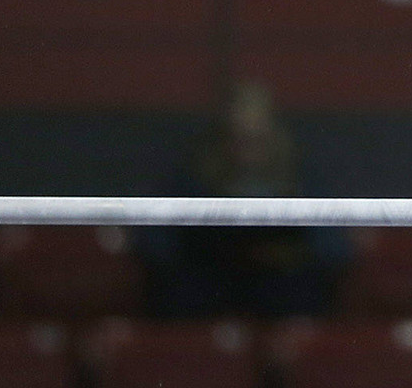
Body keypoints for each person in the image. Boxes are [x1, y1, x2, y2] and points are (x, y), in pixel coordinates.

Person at [136, 79, 352, 317]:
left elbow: (334, 248)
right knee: (181, 294)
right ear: (224, 137)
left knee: (300, 294)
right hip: (210, 281)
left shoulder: (300, 178)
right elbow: (155, 244)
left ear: (271, 133)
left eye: (255, 139)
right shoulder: (193, 177)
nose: (247, 149)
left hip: (278, 283)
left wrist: (282, 254)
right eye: (239, 138)